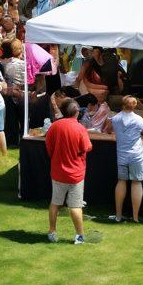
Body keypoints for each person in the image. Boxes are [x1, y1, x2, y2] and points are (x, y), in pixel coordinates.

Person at [44, 99, 92, 244]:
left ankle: (52, 232)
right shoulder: (80, 128)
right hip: (75, 174)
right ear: (76, 112)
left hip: (58, 172)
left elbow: (49, 148)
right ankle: (79, 236)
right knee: (75, 206)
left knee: (55, 203)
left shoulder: (54, 127)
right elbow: (87, 147)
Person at [104, 96, 143, 223]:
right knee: (136, 183)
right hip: (136, 155)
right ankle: (135, 217)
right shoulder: (138, 119)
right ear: (135, 106)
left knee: (121, 181)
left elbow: (107, 130)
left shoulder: (115, 118)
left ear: (122, 104)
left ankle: (118, 216)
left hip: (121, 155)